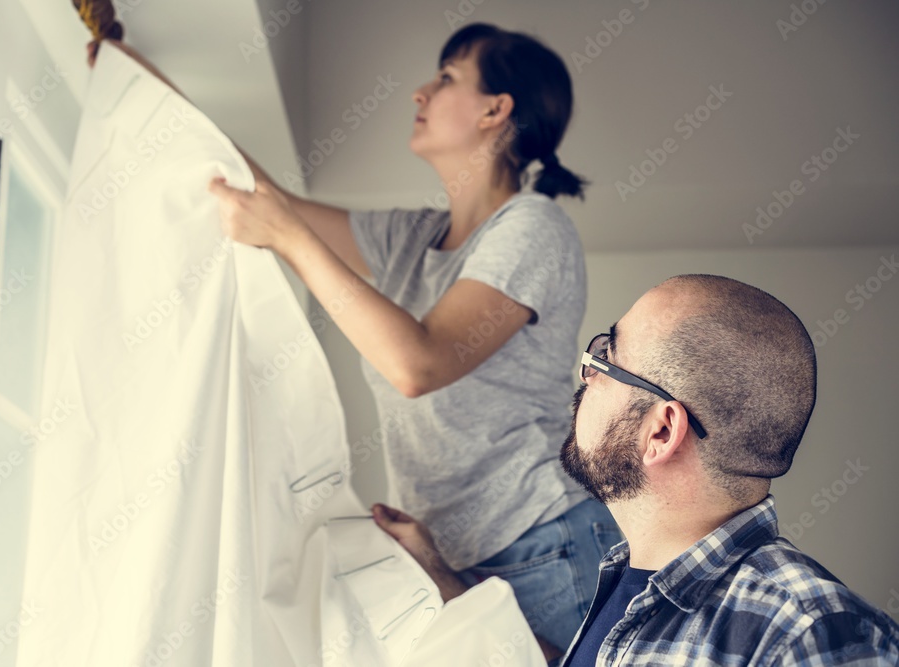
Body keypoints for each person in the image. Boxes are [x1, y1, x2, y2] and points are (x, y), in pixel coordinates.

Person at [78, 7, 618, 655]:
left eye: (446, 77)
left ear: (494, 110)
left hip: (544, 544)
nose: (420, 92)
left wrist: (289, 239)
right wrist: (142, 85)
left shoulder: (532, 227)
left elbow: (418, 363)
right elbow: (266, 196)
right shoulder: (411, 240)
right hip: (456, 556)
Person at [373, 274, 899, 665]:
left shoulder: (812, 631)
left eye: (606, 357)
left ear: (662, 432)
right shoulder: (630, 587)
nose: (583, 374)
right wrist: (442, 581)